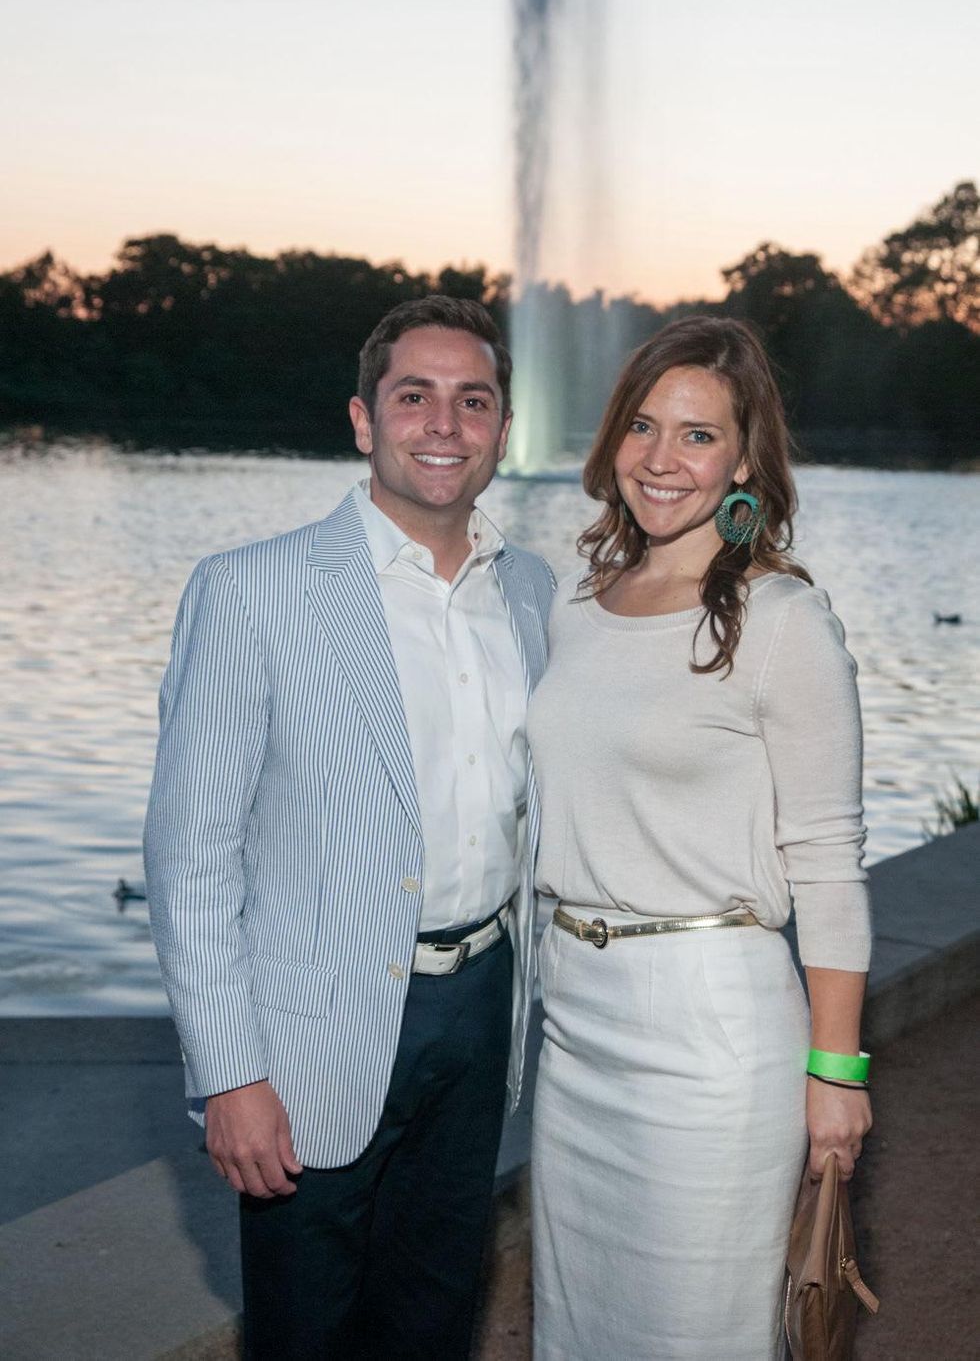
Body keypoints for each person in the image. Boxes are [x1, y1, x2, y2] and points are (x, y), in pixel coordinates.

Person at [143, 295, 554, 1360]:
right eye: (412, 396)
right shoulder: (251, 592)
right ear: (364, 421)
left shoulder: (535, 594)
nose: (443, 424)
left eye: (472, 401)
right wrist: (230, 1073)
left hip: (477, 1018)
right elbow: (191, 858)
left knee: (430, 1319)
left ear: (502, 430)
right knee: (303, 1334)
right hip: (311, 1029)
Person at [527, 316, 873, 1360]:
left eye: (695, 435)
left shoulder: (778, 622)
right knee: (576, 1329)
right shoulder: (578, 605)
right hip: (573, 1018)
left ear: (742, 459)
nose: (659, 459)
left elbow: (827, 863)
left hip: (710, 1035)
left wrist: (835, 1075)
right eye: (642, 426)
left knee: (694, 1337)